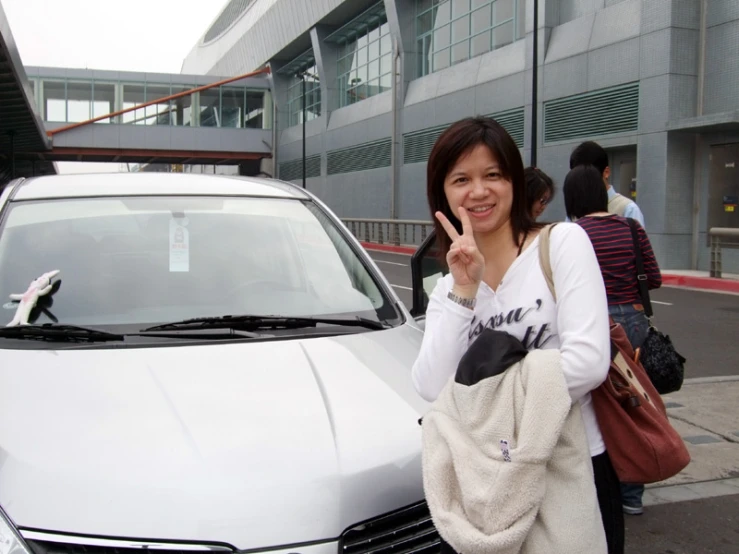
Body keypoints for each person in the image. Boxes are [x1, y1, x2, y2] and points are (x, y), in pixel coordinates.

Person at [411, 116, 623, 553]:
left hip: (571, 465)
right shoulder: (450, 286)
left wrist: (479, 397)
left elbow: (587, 364)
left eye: (493, 175)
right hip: (486, 477)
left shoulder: (562, 244)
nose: (479, 191)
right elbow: (432, 385)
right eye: (461, 179)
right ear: (443, 194)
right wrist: (466, 290)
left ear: (514, 182)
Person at [563, 164, 663, 517]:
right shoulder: (633, 229)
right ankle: (632, 494)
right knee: (631, 401)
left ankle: (596, 486)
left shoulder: (573, 234)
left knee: (595, 405)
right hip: (633, 322)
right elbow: (654, 278)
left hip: (594, 321)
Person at [569, 141, 645, 227]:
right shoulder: (574, 211)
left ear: (606, 172)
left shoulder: (628, 209)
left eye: (589, 177)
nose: (583, 183)